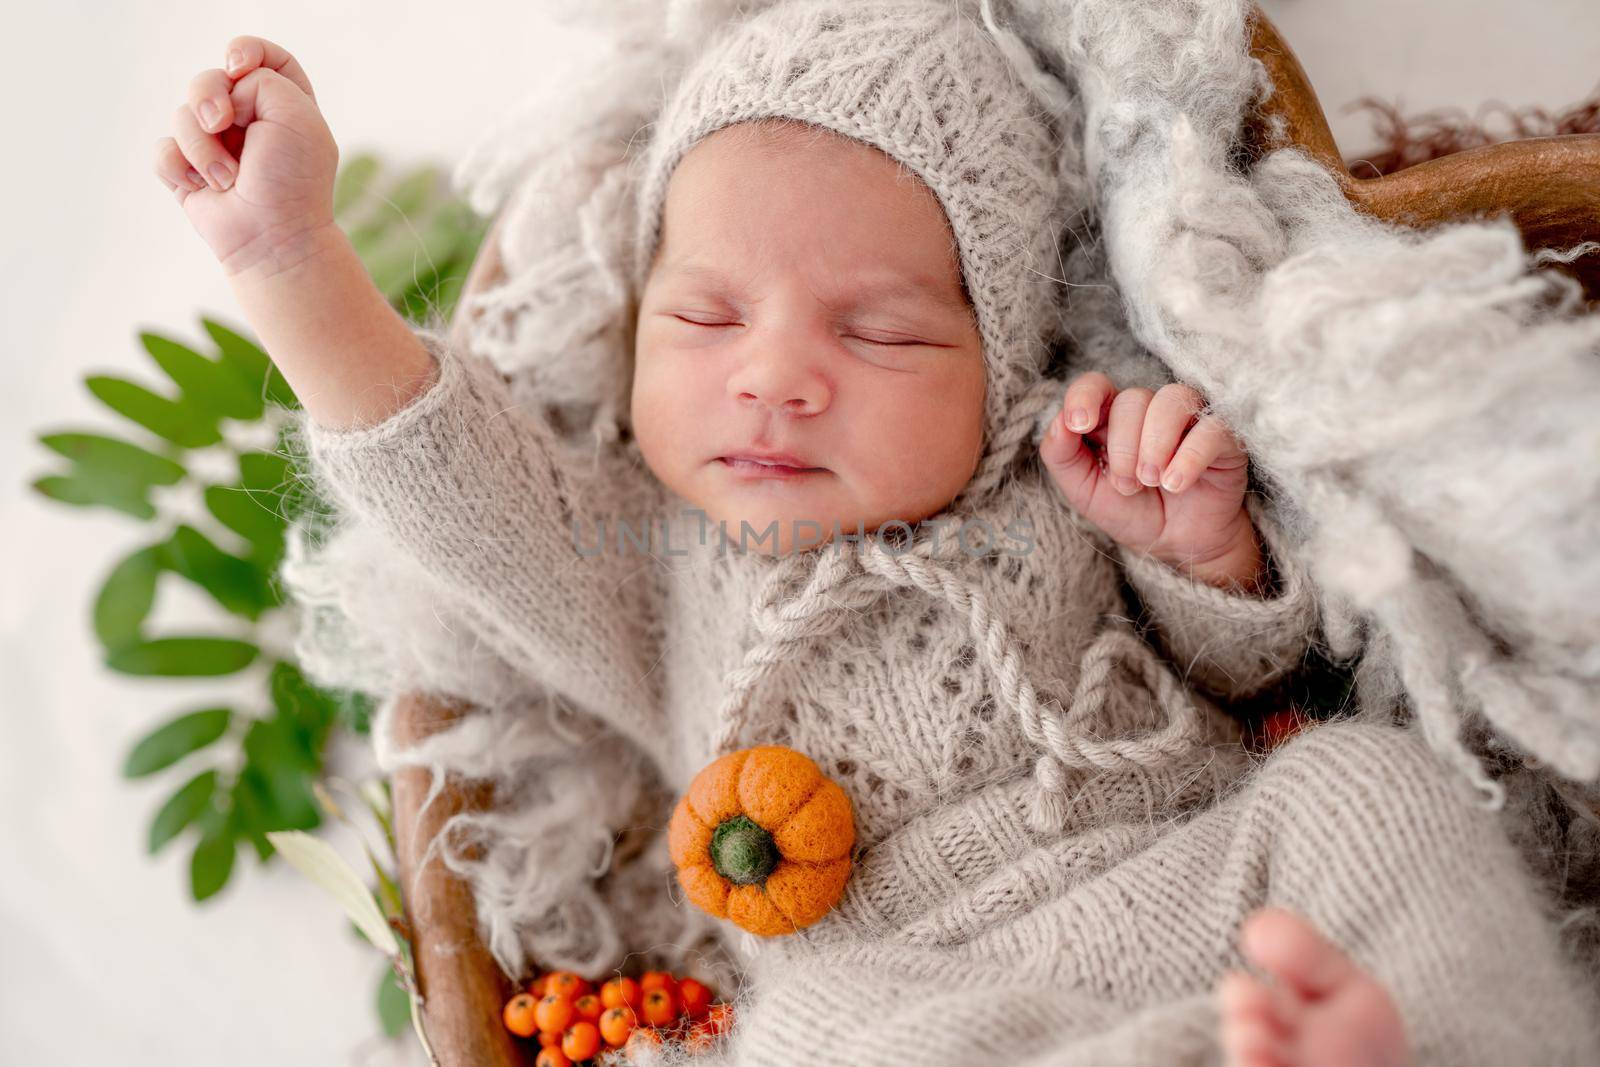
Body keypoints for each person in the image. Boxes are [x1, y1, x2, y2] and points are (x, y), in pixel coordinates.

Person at [152, 2, 1600, 1063]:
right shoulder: (643, 561)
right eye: (705, 316)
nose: (776, 372)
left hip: (1196, 862)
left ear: (997, 365)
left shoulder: (1054, 465)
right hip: (914, 976)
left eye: (882, 328)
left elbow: (1260, 677)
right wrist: (290, 260)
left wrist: (1200, 550)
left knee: (1367, 787)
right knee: (809, 1038)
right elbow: (448, 477)